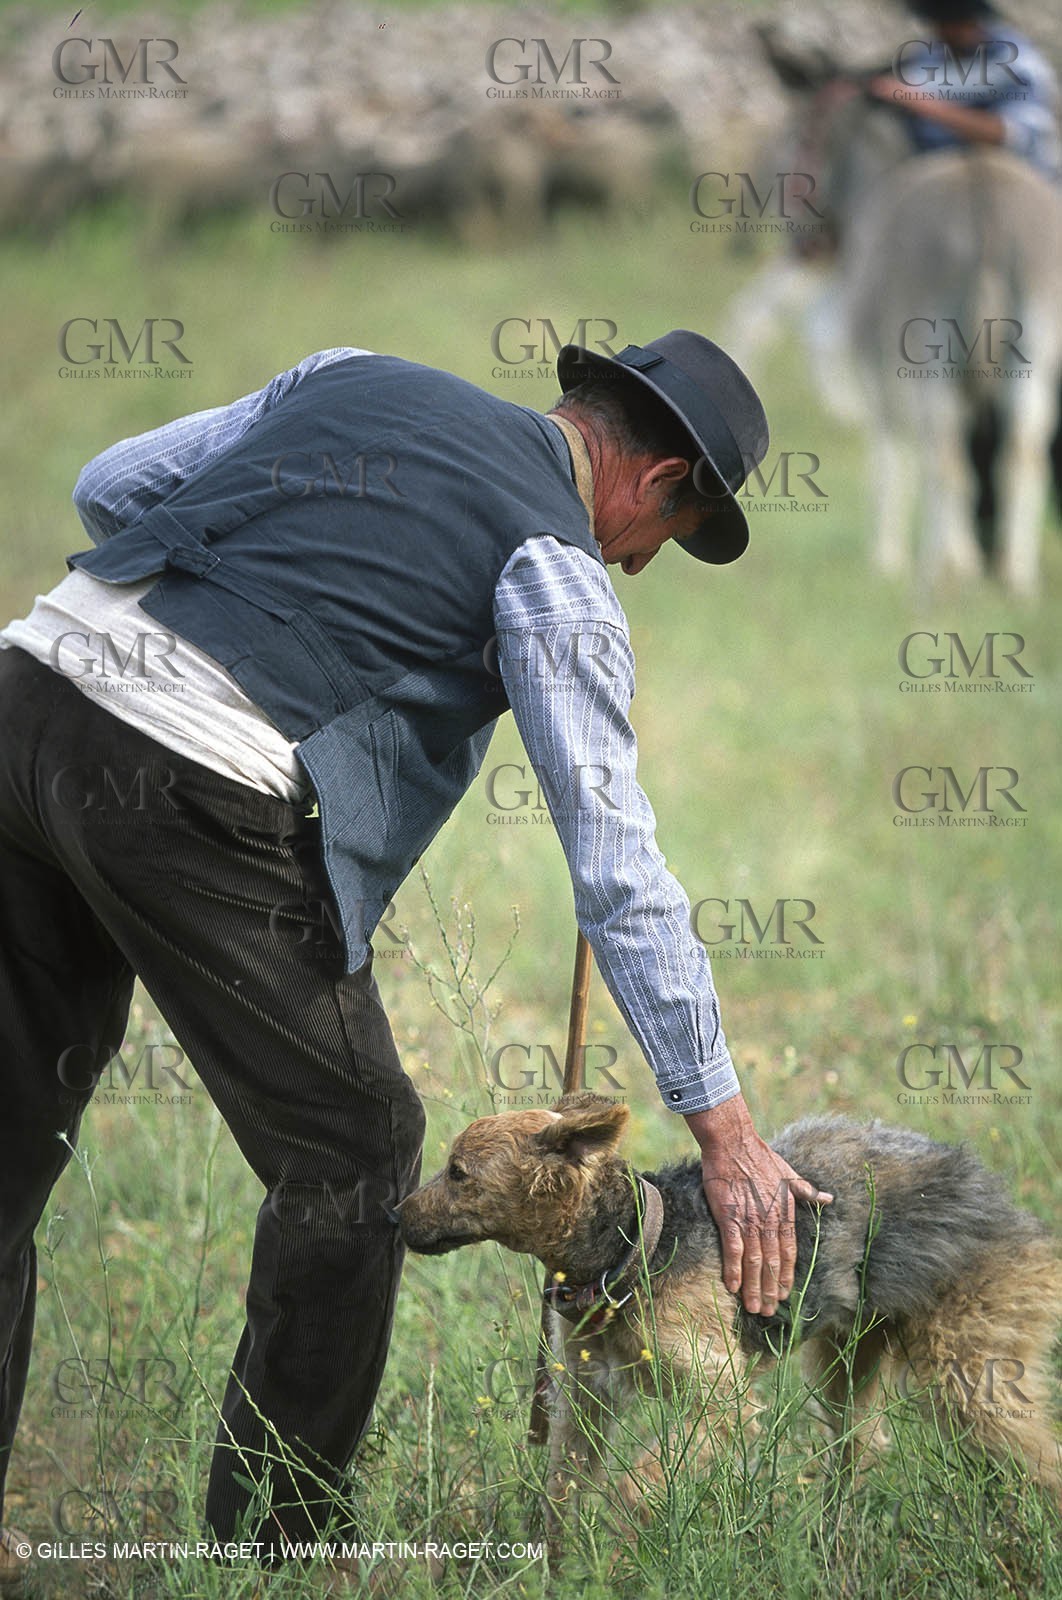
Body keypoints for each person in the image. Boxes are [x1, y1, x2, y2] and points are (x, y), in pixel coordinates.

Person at [0, 334, 832, 1577]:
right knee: (356, 1146)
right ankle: (278, 1555)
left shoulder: (352, 371)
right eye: (667, 535)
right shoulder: (558, 570)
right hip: (179, 774)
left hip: (29, 691)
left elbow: (114, 487)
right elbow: (617, 868)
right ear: (659, 480)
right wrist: (727, 1131)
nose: (639, 562)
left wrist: (270, 585)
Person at [868, 0, 1062, 180]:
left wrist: (922, 104)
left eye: (951, 22)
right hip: (950, 184)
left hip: (1024, 183)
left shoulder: (1017, 62)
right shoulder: (934, 54)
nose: (943, 32)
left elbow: (1010, 135)